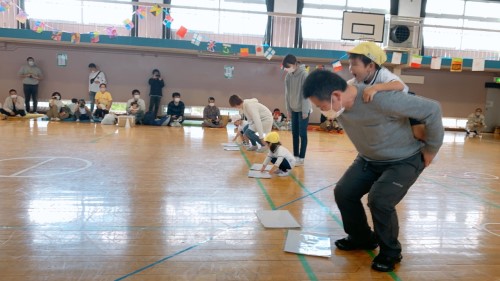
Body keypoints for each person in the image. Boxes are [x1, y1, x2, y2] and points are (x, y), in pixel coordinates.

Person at [303, 69, 444, 272]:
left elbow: (433, 109)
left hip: (403, 160)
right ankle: (362, 238)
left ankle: (390, 252)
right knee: (343, 192)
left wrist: (431, 149)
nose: (322, 111)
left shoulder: (379, 99)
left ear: (335, 96)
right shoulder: (340, 105)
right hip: (369, 159)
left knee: (380, 200)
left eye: (321, 106)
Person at [347, 42, 426, 141]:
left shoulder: (382, 74)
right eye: (350, 63)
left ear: (370, 66)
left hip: (406, 102)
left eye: (354, 64)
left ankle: (425, 150)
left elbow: (399, 85)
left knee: (419, 133)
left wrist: (375, 88)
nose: (350, 68)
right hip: (390, 111)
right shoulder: (356, 81)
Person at [282, 54, 311, 165]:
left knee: (302, 134)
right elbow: (287, 94)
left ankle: (302, 158)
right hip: (293, 109)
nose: (287, 69)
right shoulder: (288, 76)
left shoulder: (304, 74)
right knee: (294, 133)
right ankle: (295, 155)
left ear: (295, 64)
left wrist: (305, 111)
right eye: (286, 67)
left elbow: (305, 94)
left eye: (289, 66)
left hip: (303, 109)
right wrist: (288, 109)